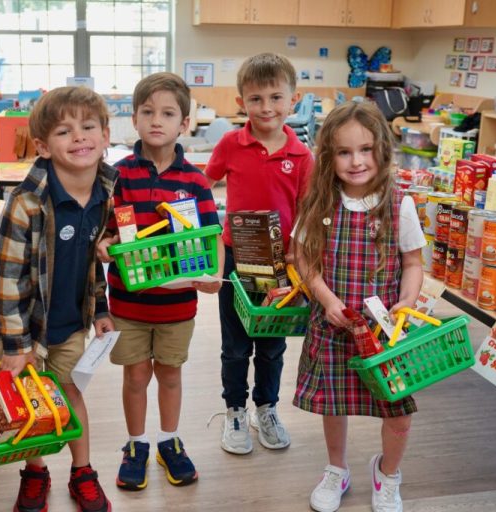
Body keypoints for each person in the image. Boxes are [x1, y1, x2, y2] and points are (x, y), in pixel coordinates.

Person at [0, 86, 116, 512]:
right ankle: (35, 471)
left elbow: (93, 264)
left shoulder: (105, 194)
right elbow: (6, 281)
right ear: (42, 146)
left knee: (70, 395)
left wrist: (100, 309)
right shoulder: (26, 203)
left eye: (88, 126)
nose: (79, 137)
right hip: (19, 328)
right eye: (64, 131)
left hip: (69, 324)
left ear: (106, 134)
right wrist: (16, 346)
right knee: (28, 404)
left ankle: (83, 472)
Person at [292, 101, 425, 512]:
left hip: (386, 334)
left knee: (398, 410)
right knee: (334, 403)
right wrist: (326, 299)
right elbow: (304, 258)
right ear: (328, 156)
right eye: (344, 152)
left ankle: (388, 474)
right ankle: (337, 468)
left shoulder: (399, 202)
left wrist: (407, 301)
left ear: (382, 150)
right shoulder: (320, 203)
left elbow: (413, 262)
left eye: (365, 150)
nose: (356, 161)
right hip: (332, 327)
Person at [96, 72, 223, 491]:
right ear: (133, 119)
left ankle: (169, 440)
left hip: (177, 305)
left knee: (170, 375)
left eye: (168, 113)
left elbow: (211, 233)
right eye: (147, 112)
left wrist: (216, 275)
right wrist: (106, 243)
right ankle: (136, 445)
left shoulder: (194, 180)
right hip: (130, 304)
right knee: (135, 377)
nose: (157, 120)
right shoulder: (118, 176)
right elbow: (107, 229)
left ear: (184, 123)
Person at [205, 53, 313, 455]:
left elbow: (306, 214)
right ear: (240, 103)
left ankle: (265, 408)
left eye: (275, 97)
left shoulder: (303, 158)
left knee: (271, 345)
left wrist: (297, 262)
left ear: (293, 100)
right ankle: (235, 409)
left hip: (280, 267)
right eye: (255, 99)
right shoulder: (231, 143)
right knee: (234, 344)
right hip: (235, 260)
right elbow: (204, 184)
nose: (266, 107)